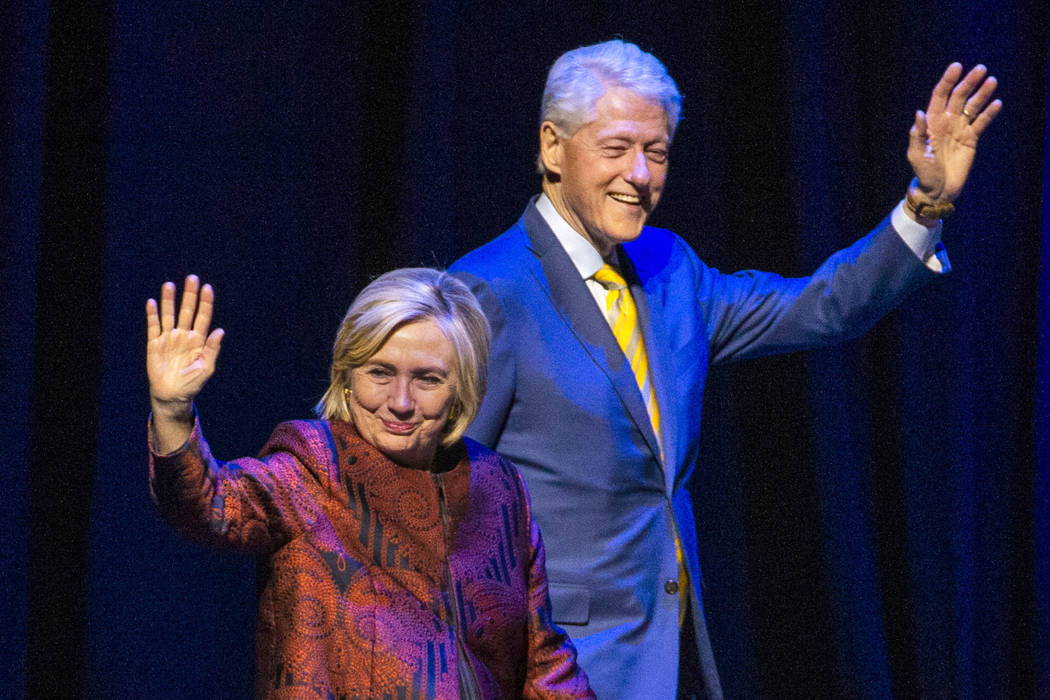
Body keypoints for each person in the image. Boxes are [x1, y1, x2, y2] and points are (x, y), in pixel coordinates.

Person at [449, 39, 1000, 699]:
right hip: (556, 667)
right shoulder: (488, 290)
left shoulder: (671, 268)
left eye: (657, 152)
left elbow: (820, 307)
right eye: (617, 147)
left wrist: (924, 206)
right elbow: (441, 509)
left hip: (675, 658)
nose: (641, 174)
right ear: (551, 146)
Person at [146, 268, 594, 699]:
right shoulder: (313, 465)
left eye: (427, 379)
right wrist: (171, 410)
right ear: (346, 377)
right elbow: (210, 507)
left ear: (462, 388)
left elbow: (543, 662)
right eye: (380, 373)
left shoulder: (497, 486)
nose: (400, 402)